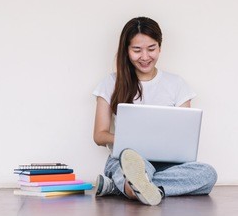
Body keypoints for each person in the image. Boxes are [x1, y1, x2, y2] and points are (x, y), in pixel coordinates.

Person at [92, 17, 217, 206]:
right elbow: (99, 136)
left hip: (168, 165)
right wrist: (131, 141)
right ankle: (139, 183)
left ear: (160, 47)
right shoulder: (111, 83)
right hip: (126, 159)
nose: (145, 56)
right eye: (137, 50)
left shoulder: (177, 85)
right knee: (131, 169)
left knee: (207, 174)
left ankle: (127, 187)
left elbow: (184, 138)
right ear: (126, 50)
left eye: (151, 49)